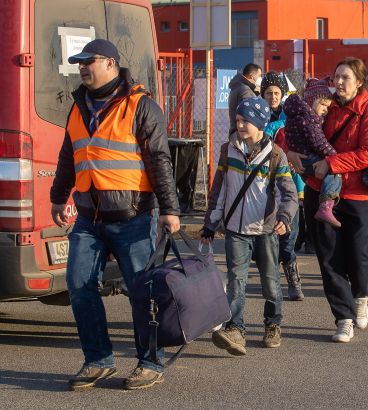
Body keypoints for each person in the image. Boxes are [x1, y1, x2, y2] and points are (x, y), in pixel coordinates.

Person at [49, 39, 180, 391]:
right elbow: (68, 157)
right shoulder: (78, 107)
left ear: (110, 63)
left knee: (142, 292)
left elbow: (159, 160)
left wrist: (169, 209)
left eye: (87, 61)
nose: (81, 68)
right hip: (89, 218)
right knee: (79, 286)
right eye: (78, 63)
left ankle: (150, 362)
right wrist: (59, 197)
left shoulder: (140, 105)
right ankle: (97, 360)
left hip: (133, 217)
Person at [287, 57, 368, 343]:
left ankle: (360, 295)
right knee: (329, 259)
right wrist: (289, 152)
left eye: (346, 78)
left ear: (359, 81)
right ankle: (343, 318)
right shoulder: (323, 104)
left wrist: (332, 163)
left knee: (359, 256)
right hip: (319, 190)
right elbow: (295, 128)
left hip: (356, 193)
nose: (338, 83)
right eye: (336, 77)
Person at [201, 96, 298, 355]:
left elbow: (289, 195)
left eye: (246, 121)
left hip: (265, 231)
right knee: (236, 281)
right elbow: (219, 189)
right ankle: (235, 329)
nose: (240, 125)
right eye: (238, 120)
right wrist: (210, 223)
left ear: (260, 123)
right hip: (235, 230)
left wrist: (284, 218)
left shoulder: (276, 156)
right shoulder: (227, 150)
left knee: (270, 282)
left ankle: (273, 324)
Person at [260, 71, 305, 301]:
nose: (273, 97)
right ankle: (272, 280)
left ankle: (292, 276)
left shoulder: (293, 119)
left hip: (290, 186)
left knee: (289, 234)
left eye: (277, 93)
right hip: (263, 188)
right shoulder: (255, 118)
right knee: (268, 237)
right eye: (268, 93)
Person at [284, 78, 342, 227]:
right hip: (307, 156)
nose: (325, 110)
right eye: (322, 104)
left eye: (327, 107)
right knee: (334, 171)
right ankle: (326, 205)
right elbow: (318, 141)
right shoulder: (308, 118)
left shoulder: (299, 113)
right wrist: (334, 156)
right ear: (311, 100)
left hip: (301, 155)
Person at [228, 63, 263, 136]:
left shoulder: (238, 86)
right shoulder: (246, 91)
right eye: (259, 75)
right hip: (244, 134)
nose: (261, 78)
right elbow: (249, 115)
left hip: (237, 132)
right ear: (252, 75)